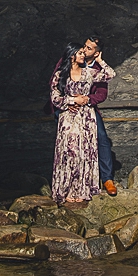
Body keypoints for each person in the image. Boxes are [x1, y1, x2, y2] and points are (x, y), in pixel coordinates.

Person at [45, 35, 118, 196]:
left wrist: (85, 99)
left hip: (87, 110)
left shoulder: (94, 71)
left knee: (101, 138)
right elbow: (54, 84)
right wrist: (69, 102)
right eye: (84, 47)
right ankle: (67, 182)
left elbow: (102, 93)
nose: (84, 50)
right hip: (65, 109)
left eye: (89, 49)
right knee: (68, 146)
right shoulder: (68, 60)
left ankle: (106, 178)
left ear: (97, 52)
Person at [50, 42, 102, 207]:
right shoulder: (61, 75)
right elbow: (55, 98)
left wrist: (100, 61)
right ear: (71, 55)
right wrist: (73, 100)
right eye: (80, 52)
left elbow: (110, 74)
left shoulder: (89, 73)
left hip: (86, 117)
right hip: (68, 118)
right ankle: (65, 189)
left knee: (84, 153)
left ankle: (80, 190)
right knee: (69, 152)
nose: (83, 55)